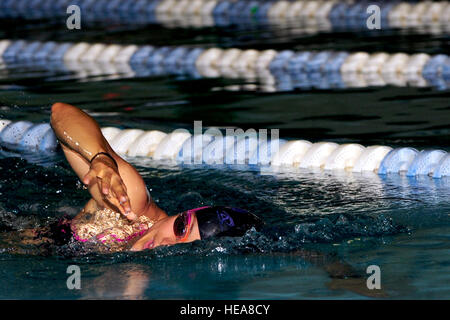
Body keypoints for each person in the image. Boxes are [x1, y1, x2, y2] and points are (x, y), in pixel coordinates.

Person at [48, 102, 264, 252]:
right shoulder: (129, 205)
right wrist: (101, 157)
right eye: (180, 228)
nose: (167, 243)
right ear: (183, 213)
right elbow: (60, 112)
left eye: (186, 246)